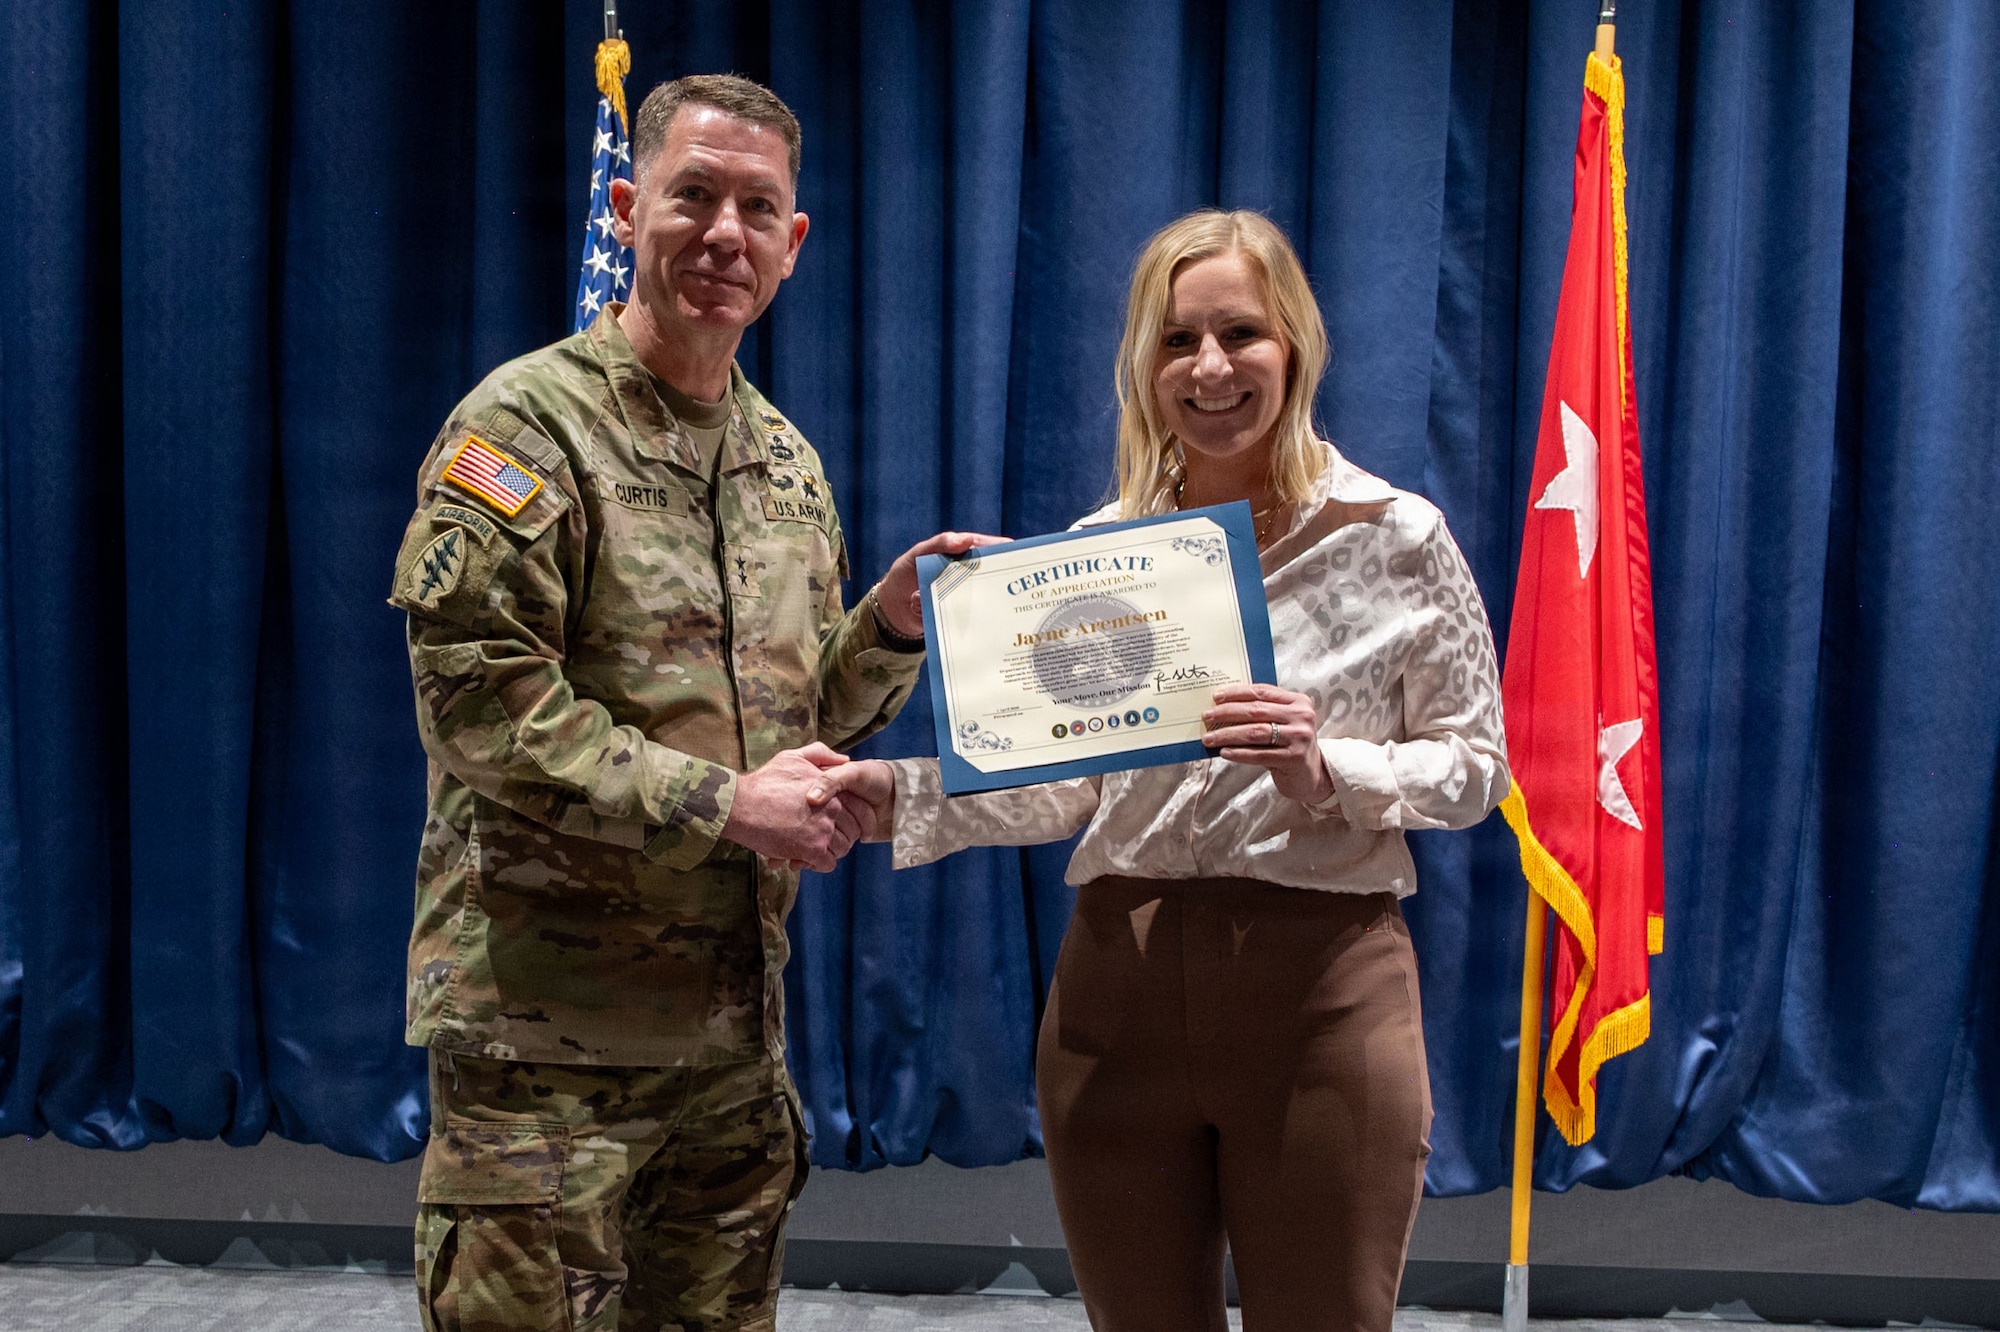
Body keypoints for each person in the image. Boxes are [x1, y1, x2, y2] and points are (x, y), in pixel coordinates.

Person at [836, 210, 1510, 1331]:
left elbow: (1474, 766)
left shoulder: (1395, 535)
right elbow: (1065, 783)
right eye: (1173, 340)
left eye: (1238, 332)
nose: (1207, 369)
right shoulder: (1103, 550)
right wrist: (894, 798)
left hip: (1321, 996)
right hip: (1116, 991)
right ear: (1141, 366)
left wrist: (1323, 766)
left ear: (1292, 345)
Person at [388, 74, 986, 1332]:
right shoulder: (522, 427)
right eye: (693, 197)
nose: (725, 234)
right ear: (627, 206)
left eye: (756, 207)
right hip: (543, 1052)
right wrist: (726, 807)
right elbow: (484, 710)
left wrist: (883, 633)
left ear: (793, 242)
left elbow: (793, 721)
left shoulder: (783, 463)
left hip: (728, 1049)